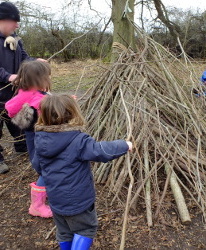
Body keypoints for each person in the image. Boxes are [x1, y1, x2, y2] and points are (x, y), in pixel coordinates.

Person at [32, 94, 133, 250]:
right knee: (86, 229)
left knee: (64, 232)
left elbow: (38, 166)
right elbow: (101, 151)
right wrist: (124, 145)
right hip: (78, 202)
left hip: (56, 200)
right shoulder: (78, 140)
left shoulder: (40, 140)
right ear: (72, 114)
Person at [0, 2, 46, 173]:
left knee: (16, 122)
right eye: (14, 21)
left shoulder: (16, 39)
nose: (17, 24)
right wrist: (8, 76)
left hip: (13, 92)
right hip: (1, 89)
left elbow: (24, 58)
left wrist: (35, 62)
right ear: (3, 20)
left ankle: (21, 147)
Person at [5, 60, 53, 218]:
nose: (49, 80)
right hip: (41, 139)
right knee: (45, 169)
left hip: (37, 136)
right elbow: (52, 112)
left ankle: (46, 195)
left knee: (45, 167)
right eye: (46, 77)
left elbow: (11, 107)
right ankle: (37, 205)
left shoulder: (29, 93)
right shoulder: (35, 98)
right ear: (37, 80)